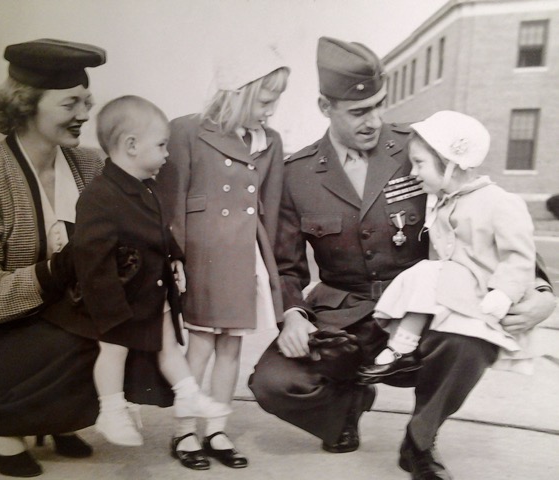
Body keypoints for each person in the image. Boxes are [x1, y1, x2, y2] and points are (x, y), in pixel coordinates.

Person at [248, 37, 555, 480]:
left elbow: (487, 213)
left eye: (379, 105)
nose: (373, 121)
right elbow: (286, 264)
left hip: (423, 308)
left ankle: (419, 442)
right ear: (323, 105)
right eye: (357, 112)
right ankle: (344, 409)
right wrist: (293, 313)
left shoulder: (421, 147)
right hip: (344, 314)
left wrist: (541, 290)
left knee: (470, 340)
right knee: (273, 384)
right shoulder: (298, 174)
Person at [0, 39, 107, 477]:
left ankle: (53, 416)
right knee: (82, 334)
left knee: (130, 327)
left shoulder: (92, 165)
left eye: (87, 101)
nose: (85, 114)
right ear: (26, 104)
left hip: (56, 324)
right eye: (71, 102)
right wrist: (58, 269)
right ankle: (0, 422)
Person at [157, 43, 290, 469]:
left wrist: (269, 272)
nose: (272, 109)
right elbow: (170, 201)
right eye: (266, 99)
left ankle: (215, 428)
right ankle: (184, 432)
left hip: (242, 258)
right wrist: (173, 258)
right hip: (202, 256)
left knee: (231, 347)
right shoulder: (187, 131)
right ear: (241, 91)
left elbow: (270, 210)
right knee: (199, 346)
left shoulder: (270, 141)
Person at [70, 95, 230, 449]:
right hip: (120, 298)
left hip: (151, 291)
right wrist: (110, 310)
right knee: (113, 351)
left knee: (170, 347)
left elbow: (160, 232)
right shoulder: (100, 195)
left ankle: (187, 393)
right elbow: (91, 259)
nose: (166, 154)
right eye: (160, 145)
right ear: (130, 146)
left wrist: (174, 255)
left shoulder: (146, 188)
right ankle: (110, 410)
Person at [360, 110, 537, 382]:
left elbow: (520, 257)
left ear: (450, 163)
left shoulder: (500, 202)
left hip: (482, 296)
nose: (414, 173)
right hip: (449, 296)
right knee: (427, 271)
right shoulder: (442, 203)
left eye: (419, 164)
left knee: (427, 271)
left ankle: (399, 350)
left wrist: (504, 292)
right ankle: (400, 348)